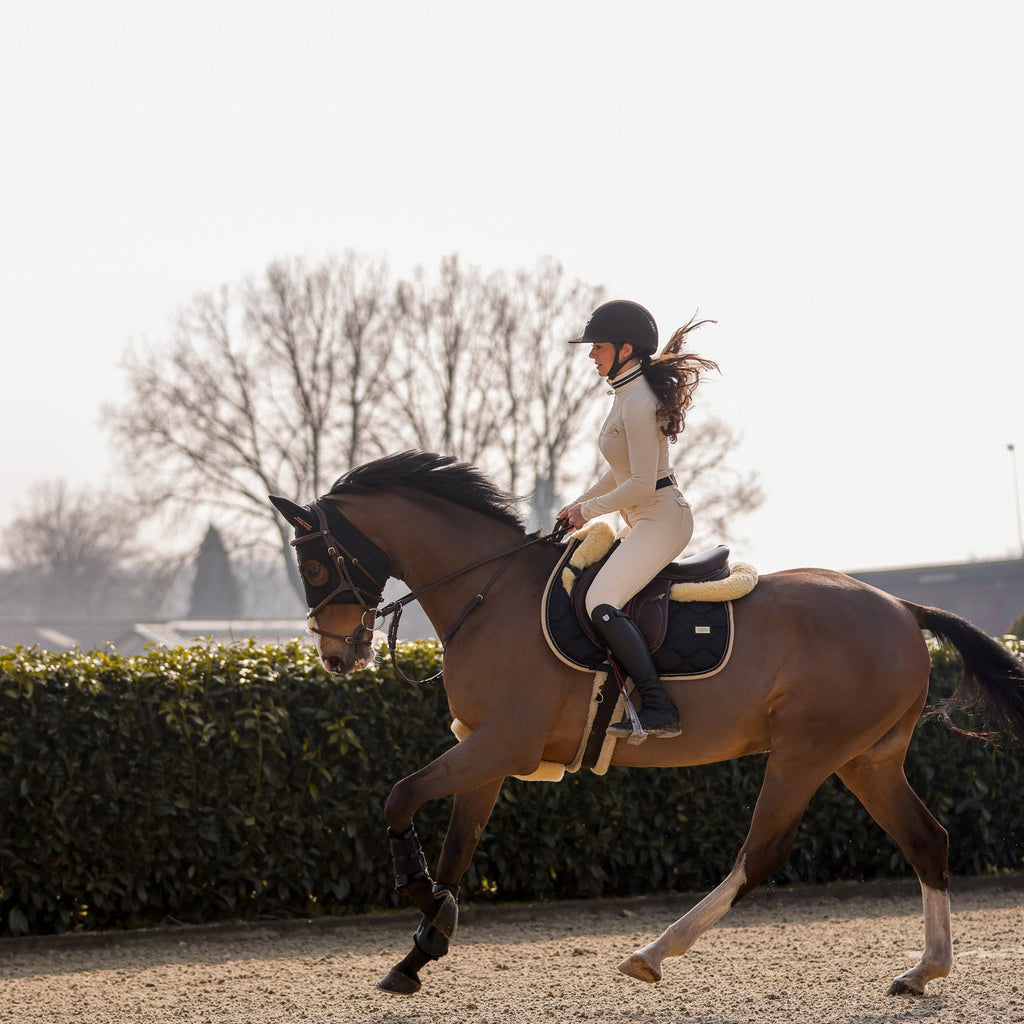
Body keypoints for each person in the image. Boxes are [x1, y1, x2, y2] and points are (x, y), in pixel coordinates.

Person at [557, 299, 717, 740]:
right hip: (644, 517)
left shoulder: (637, 402)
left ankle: (659, 706)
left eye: (599, 346)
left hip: (662, 519)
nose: (591, 354)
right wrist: (578, 503)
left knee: (600, 603)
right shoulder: (625, 396)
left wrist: (587, 511)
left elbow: (643, 484)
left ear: (626, 349)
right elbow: (620, 472)